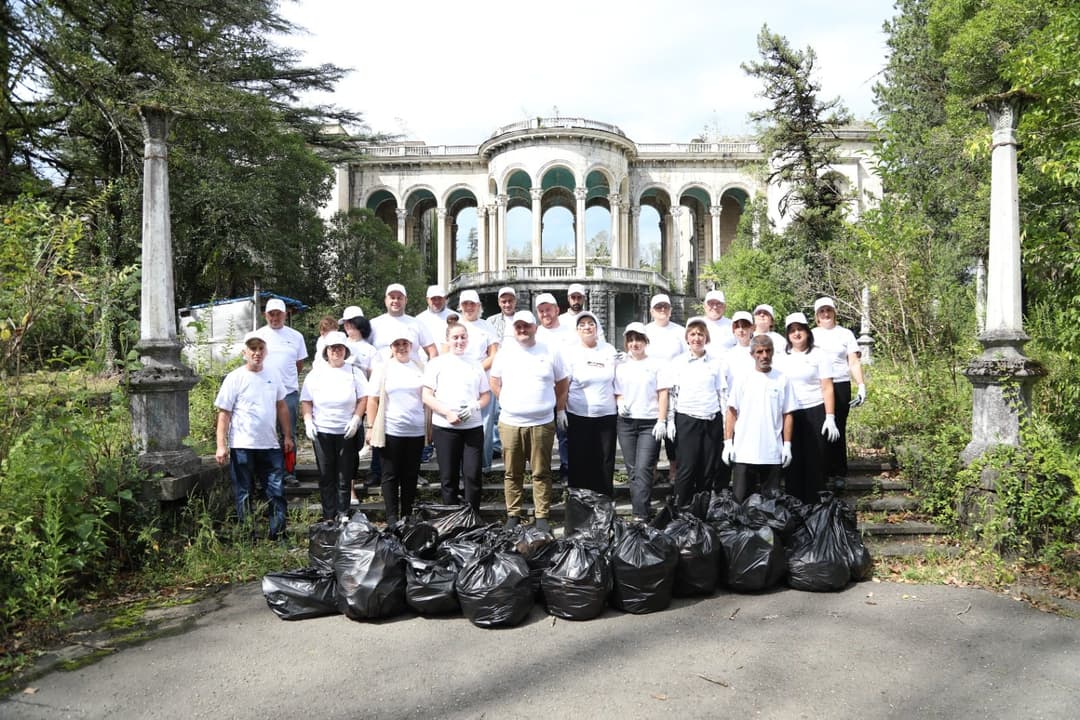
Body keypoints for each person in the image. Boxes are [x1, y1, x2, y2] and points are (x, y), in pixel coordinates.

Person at [489, 310, 569, 534]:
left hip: (542, 423)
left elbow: (562, 383)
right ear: (513, 330)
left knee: (541, 472)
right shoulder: (505, 353)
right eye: (518, 327)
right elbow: (494, 381)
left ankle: (541, 515)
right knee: (512, 472)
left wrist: (558, 408)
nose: (522, 330)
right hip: (510, 422)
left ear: (535, 327)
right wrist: (507, 400)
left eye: (527, 326)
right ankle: (513, 514)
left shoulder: (550, 350)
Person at [214, 331, 293, 540]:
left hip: (270, 444)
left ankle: (278, 534)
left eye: (260, 349)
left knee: (276, 491)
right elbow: (224, 414)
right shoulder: (235, 378)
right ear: (244, 352)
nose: (257, 353)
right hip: (242, 444)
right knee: (244, 492)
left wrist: (287, 436)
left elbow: (282, 406)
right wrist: (221, 445)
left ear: (266, 352)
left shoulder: (273, 374)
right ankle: (248, 536)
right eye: (253, 349)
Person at [422, 322, 491, 510]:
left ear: (467, 339)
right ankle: (452, 519)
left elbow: (486, 395)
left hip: (472, 428)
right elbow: (427, 396)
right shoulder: (436, 363)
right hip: (445, 428)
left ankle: (472, 518)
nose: (459, 341)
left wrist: (475, 406)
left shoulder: (475, 364)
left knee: (472, 475)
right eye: (455, 337)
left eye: (463, 337)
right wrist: (447, 412)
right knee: (448, 477)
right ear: (447, 340)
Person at [300, 332, 368, 519]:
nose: (336, 351)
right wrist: (308, 421)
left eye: (340, 347)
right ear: (326, 351)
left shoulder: (355, 372)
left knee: (344, 475)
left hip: (346, 431)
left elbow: (364, 398)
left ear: (345, 350)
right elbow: (306, 401)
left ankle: (343, 513)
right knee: (326, 475)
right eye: (332, 348)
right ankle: (329, 515)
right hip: (322, 431)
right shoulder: (315, 374)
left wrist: (356, 419)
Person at [773, 312, 839, 504]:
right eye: (792, 330)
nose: (796, 334)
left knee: (815, 459)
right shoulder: (780, 357)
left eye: (800, 329)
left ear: (807, 332)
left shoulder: (819, 355)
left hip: (814, 410)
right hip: (789, 412)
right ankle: (795, 505)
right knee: (792, 460)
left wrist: (830, 416)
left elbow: (827, 387)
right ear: (787, 334)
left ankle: (815, 504)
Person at [723, 335, 797, 502]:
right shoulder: (742, 379)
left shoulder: (782, 379)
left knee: (771, 505)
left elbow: (788, 413)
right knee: (740, 502)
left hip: (772, 451)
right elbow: (731, 411)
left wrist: (787, 445)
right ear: (752, 354)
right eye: (759, 352)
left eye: (768, 351)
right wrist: (728, 443)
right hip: (744, 452)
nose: (764, 355)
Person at [365, 328, 426, 526]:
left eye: (405, 344)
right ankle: (392, 517)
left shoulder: (419, 366)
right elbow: (372, 400)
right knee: (390, 475)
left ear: (410, 346)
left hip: (416, 430)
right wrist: (371, 426)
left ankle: (407, 514)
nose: (401, 348)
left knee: (410, 474)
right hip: (391, 430)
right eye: (397, 344)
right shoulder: (383, 369)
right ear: (391, 347)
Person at [666, 317, 727, 506]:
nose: (697, 338)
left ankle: (701, 512)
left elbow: (721, 393)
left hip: (711, 419)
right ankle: (680, 512)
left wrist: (725, 423)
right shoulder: (678, 362)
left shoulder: (716, 363)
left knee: (707, 469)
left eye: (701, 334)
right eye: (692, 334)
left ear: (706, 337)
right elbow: (672, 394)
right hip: (687, 419)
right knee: (687, 468)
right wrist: (669, 420)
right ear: (687, 338)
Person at [614, 322, 671, 522]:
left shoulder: (656, 364)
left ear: (645, 341)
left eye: (638, 339)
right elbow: (617, 391)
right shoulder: (620, 365)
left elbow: (663, 393)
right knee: (632, 470)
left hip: (649, 422)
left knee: (644, 468)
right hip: (627, 423)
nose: (634, 343)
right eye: (630, 340)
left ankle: (640, 515)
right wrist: (620, 402)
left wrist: (662, 420)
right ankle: (641, 510)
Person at [812, 296, 868, 490]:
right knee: (820, 426)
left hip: (840, 384)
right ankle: (821, 470)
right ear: (817, 316)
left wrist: (861, 385)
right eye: (822, 311)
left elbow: (853, 362)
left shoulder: (845, 334)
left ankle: (838, 472)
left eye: (828, 311)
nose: (826, 314)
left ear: (834, 313)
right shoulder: (811, 334)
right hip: (818, 386)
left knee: (838, 427)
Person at [563, 311, 619, 496]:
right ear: (577, 330)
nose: (587, 327)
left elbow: (617, 380)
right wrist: (560, 410)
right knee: (580, 459)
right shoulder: (570, 352)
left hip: (606, 415)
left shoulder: (608, 350)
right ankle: (580, 502)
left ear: (597, 327)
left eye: (590, 323)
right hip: (578, 415)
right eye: (582, 324)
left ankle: (604, 502)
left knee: (605, 460)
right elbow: (564, 385)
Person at [255, 297, 308, 486]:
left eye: (278, 313)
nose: (275, 317)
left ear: (286, 314)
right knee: (266, 432)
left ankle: (288, 472)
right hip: (264, 392)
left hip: (288, 392)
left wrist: (286, 381)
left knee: (288, 433)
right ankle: (268, 473)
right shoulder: (257, 336)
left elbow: (299, 364)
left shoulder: (296, 336)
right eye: (271, 314)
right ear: (265, 315)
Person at [645, 293, 686, 482]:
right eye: (658, 307)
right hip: (650, 387)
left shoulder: (679, 331)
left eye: (665, 307)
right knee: (651, 428)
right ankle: (651, 469)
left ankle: (673, 469)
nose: (662, 310)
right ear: (652, 311)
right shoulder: (645, 331)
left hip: (674, 387)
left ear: (670, 310)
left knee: (672, 431)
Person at [534, 291, 574, 483]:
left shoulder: (570, 332)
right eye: (540, 311)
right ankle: (543, 472)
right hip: (543, 392)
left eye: (548, 309)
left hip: (566, 390)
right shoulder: (535, 333)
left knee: (565, 434)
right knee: (543, 436)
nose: (545, 314)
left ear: (557, 310)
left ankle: (567, 470)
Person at [485, 286, 517, 466]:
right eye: (504, 301)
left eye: (510, 300)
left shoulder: (523, 319)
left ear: (515, 301)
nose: (507, 304)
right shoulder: (490, 321)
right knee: (496, 410)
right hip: (497, 370)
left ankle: (512, 445)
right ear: (499, 303)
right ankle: (496, 446)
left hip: (517, 371)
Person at [369, 283, 438, 362]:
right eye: (392, 298)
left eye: (399, 298)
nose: (396, 301)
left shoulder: (417, 324)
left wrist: (431, 370)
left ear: (406, 300)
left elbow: (432, 350)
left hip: (412, 372)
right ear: (385, 300)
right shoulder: (373, 324)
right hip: (382, 372)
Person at [723, 310, 756, 398]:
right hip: (734, 402)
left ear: (752, 328)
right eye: (737, 327)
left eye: (745, 326)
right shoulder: (728, 355)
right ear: (733, 330)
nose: (741, 330)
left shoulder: (760, 352)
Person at [339, 305, 376, 377]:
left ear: (360, 322)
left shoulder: (370, 350)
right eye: (344, 322)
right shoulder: (339, 344)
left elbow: (375, 375)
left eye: (350, 321)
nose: (346, 325)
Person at [417, 285, 451, 351]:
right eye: (433, 298)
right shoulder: (418, 320)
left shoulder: (456, 317)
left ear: (445, 298)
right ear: (427, 299)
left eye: (439, 298)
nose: (437, 301)